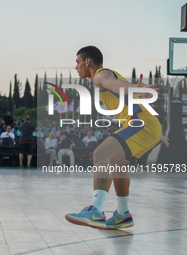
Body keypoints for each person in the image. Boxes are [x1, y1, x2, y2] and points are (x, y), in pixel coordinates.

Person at [65, 46, 170, 230]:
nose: (76, 66)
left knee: (101, 153)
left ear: (87, 62)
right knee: (115, 163)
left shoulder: (101, 75)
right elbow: (123, 92)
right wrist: (156, 132)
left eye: (77, 62)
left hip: (141, 124)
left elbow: (115, 85)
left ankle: (96, 210)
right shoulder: (105, 75)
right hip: (146, 126)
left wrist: (133, 89)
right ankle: (123, 214)